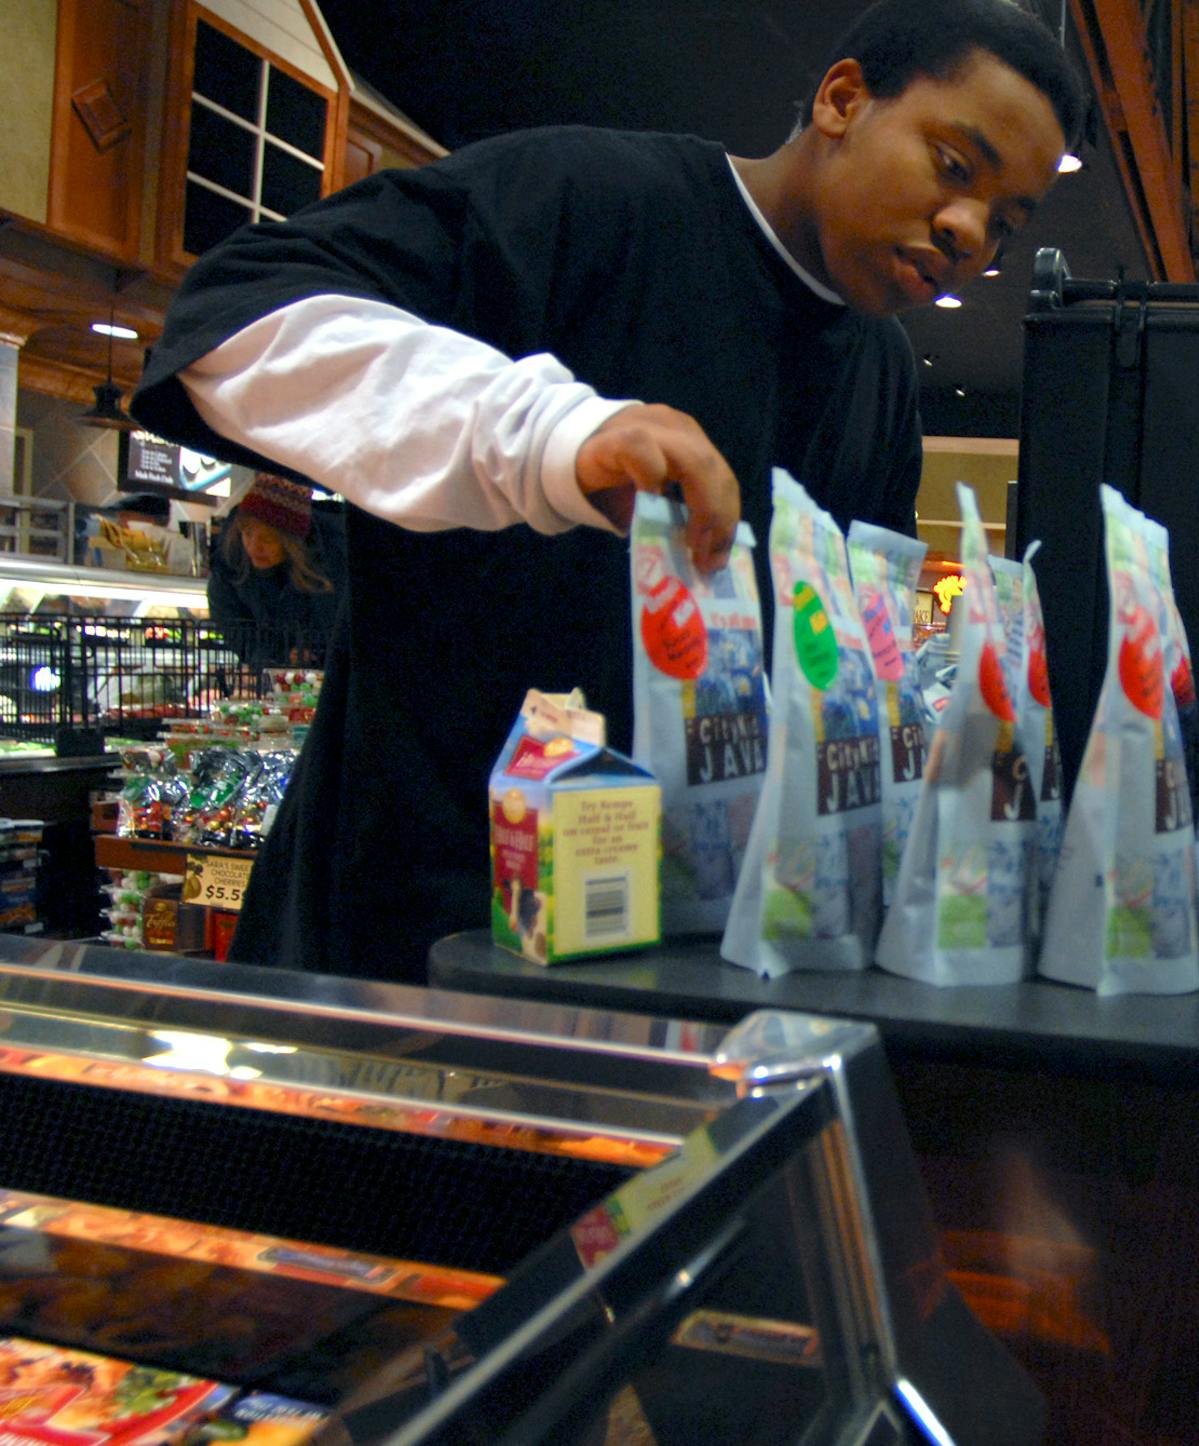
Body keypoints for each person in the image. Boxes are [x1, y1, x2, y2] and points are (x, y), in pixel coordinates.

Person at [129, 0, 1085, 984]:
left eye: (1005, 223)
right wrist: (552, 434)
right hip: (422, 939)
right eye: (953, 167)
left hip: (697, 975)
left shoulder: (880, 377)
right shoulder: (588, 201)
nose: (968, 230)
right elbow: (237, 321)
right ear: (843, 99)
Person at [206, 473, 344, 664]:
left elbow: (338, 637)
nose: (254, 547)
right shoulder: (230, 564)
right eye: (247, 533)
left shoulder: (329, 568)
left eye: (268, 538)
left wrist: (313, 655)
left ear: (292, 544)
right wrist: (281, 657)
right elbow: (237, 633)